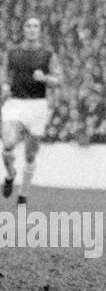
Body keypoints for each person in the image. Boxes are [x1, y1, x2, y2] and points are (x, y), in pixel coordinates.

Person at [1, 17, 63, 204]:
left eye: (35, 26)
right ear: (23, 29)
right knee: (9, 144)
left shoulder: (48, 54)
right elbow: (4, 74)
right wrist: (4, 85)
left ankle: (23, 193)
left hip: (37, 105)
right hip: (15, 103)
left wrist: (44, 78)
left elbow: (58, 80)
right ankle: (11, 174)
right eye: (28, 25)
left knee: (30, 154)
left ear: (40, 30)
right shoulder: (12, 53)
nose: (32, 29)